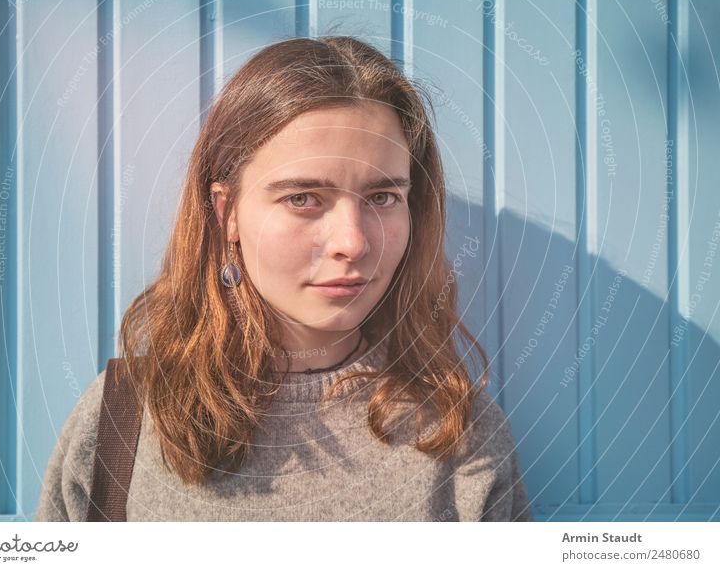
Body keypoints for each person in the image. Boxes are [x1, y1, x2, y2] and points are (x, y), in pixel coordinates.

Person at [34, 35, 533, 522]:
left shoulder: (458, 436)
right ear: (226, 212)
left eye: (383, 198)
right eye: (302, 198)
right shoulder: (126, 417)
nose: (353, 243)